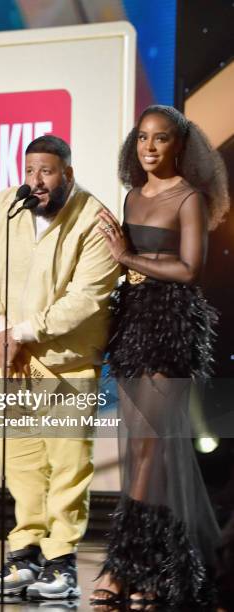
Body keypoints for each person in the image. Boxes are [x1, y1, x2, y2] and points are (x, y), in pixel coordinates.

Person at [0, 135, 120, 599]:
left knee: (68, 468)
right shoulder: (5, 207)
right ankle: (25, 557)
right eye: (30, 171)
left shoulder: (93, 218)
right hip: (13, 363)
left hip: (66, 364)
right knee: (21, 465)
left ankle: (61, 565)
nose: (36, 181)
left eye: (47, 172)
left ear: (67, 174)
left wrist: (21, 334)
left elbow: (87, 298)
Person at [90, 105, 230, 609]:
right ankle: (161, 570)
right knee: (144, 451)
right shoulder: (131, 197)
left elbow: (190, 269)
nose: (150, 148)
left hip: (170, 326)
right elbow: (122, 265)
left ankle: (121, 563)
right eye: (143, 139)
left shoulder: (188, 198)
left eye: (161, 139)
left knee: (149, 450)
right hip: (132, 322)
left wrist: (127, 256)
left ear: (180, 145)